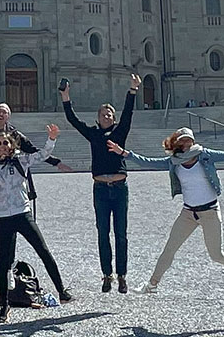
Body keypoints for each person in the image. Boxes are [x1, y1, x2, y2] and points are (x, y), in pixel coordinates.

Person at [109, 127, 224, 296]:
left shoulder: (205, 155)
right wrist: (124, 153)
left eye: (188, 139)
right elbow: (148, 162)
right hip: (188, 213)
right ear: (177, 143)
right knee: (169, 249)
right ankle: (152, 285)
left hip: (210, 211)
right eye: (182, 140)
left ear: (193, 141)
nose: (186, 143)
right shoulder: (173, 161)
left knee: (216, 255)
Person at [0, 66, 66, 249]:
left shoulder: (14, 135)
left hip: (5, 184)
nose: (1, 113)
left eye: (5, 112)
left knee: (9, 219)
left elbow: (32, 150)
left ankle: (4, 251)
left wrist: (56, 162)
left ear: (8, 116)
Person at [0, 124, 72, 322]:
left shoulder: (21, 160)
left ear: (12, 145)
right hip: (2, 217)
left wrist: (51, 138)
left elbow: (42, 155)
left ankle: (62, 291)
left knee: (43, 250)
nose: (2, 146)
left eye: (5, 143)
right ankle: (4, 305)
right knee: (3, 262)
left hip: (22, 213)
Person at [60, 75, 140, 294]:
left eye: (109, 114)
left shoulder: (120, 131)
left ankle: (122, 275)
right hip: (101, 189)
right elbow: (73, 120)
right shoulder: (93, 134)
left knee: (121, 233)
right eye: (103, 114)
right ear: (98, 118)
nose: (106, 116)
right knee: (103, 232)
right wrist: (66, 97)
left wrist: (132, 90)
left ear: (113, 117)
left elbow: (129, 113)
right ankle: (107, 275)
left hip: (120, 188)